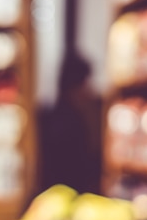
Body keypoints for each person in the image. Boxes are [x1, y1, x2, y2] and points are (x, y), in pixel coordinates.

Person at [37, 52, 102, 195]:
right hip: (66, 198)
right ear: (76, 85)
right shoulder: (68, 122)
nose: (90, 89)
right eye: (87, 82)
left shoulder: (54, 115)